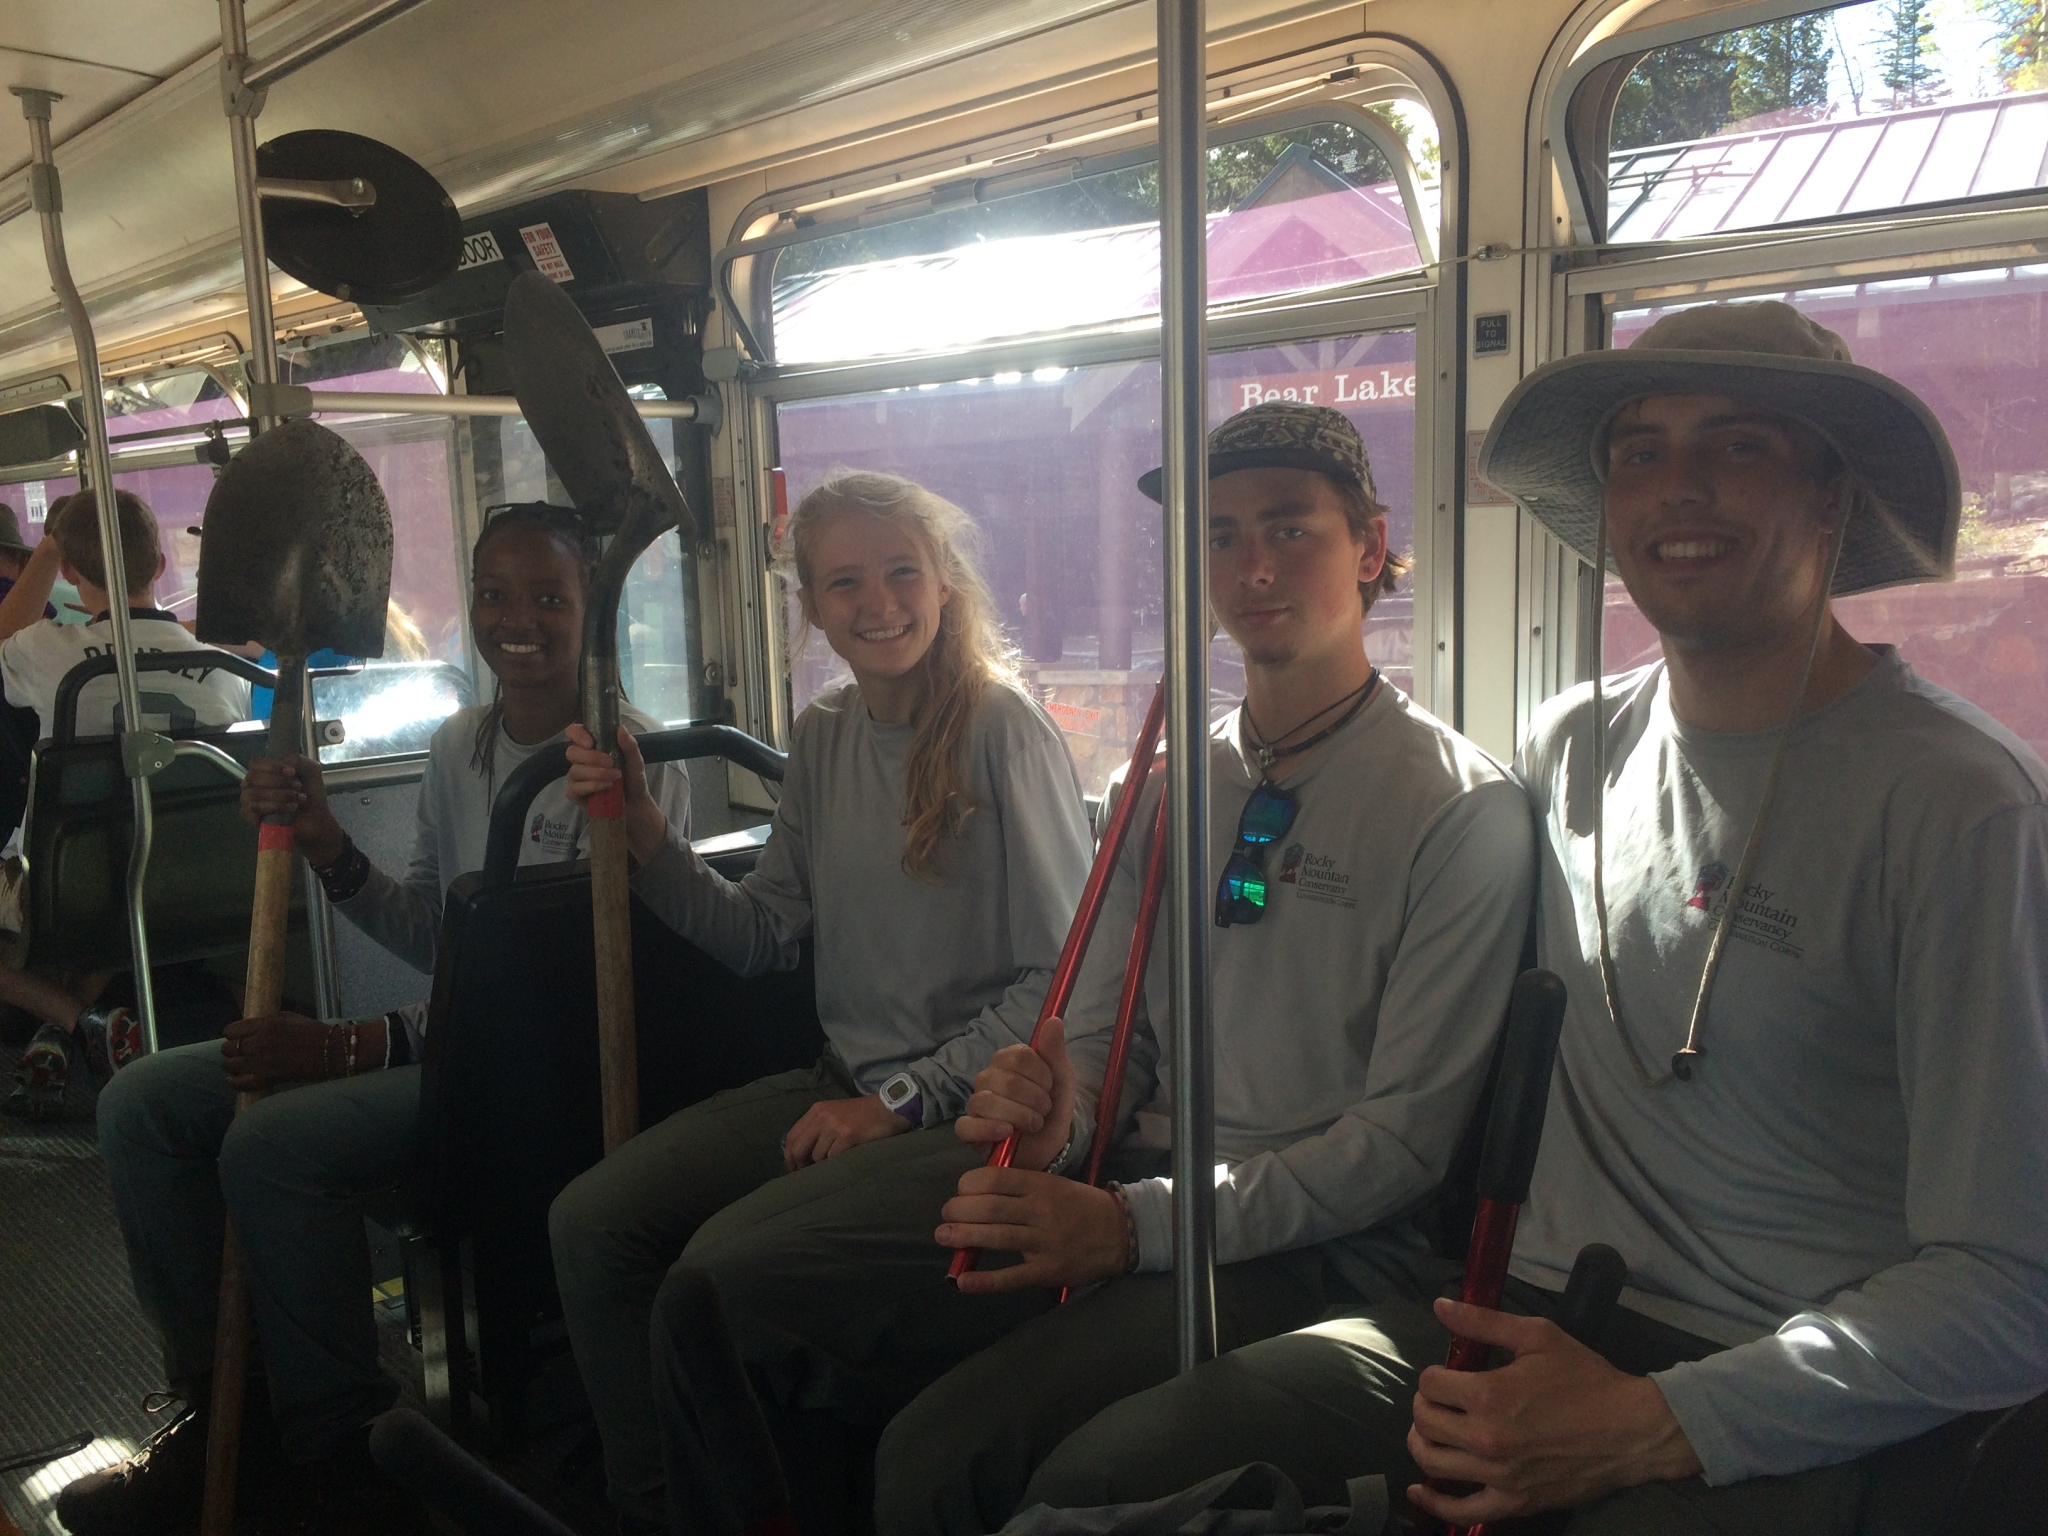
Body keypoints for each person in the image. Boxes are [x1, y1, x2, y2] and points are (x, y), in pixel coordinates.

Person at [1007, 303, 2048, 1534]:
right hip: (1506, 1305)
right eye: (1640, 452)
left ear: (1831, 493)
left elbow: (2008, 1286)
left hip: (1767, 1363)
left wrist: (1660, 1422)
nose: (1680, 489)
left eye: (1738, 446)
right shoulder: (1570, 744)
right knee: (1096, 1484)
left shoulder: (1959, 804)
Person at [652, 403, 1531, 1536]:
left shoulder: (1458, 809)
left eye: (1288, 530)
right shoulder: (1163, 788)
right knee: (723, 1298)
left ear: (1367, 547)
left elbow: (1397, 1153)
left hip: (1314, 1248)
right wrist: (1052, 1115)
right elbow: (1100, 1038)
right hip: (1121, 1173)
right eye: (1217, 537)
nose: (1251, 565)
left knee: (939, 1457)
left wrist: (1125, 1226)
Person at [57, 502, 692, 1536]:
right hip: (447, 1053)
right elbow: (447, 945)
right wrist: (323, 845)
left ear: (595, 613)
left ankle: (339, 1456)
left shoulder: (632, 762)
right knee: (142, 1104)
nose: (514, 618)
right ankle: (232, 1409)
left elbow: (561, 999)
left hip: (551, 1088)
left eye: (548, 597)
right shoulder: (458, 747)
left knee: (271, 1145)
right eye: (493, 592)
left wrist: (356, 1045)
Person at [547, 469, 1095, 1534]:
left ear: (942, 583)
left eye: (900, 573)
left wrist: (896, 1099)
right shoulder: (828, 733)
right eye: (844, 583)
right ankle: (653, 1508)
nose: (877, 602)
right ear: (809, 605)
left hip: (966, 1116)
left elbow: (1060, 987)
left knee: (708, 1281)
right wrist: (648, 835)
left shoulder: (1000, 731)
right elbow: (758, 937)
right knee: (590, 1223)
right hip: (840, 1083)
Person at [0, 489, 250, 1116]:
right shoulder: (222, 665)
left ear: (67, 573)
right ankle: (67, 1025)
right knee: (125, 877)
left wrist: (54, 545)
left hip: (80, 884)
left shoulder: (48, 651)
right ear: (161, 566)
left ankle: (80, 1018)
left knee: (76, 886)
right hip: (198, 876)